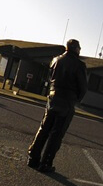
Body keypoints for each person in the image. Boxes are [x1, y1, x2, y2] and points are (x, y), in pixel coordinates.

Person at [27, 39, 87, 173]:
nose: (80, 50)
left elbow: (50, 78)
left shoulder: (55, 60)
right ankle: (46, 163)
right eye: (79, 48)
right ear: (75, 48)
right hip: (67, 101)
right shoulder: (79, 65)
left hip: (53, 97)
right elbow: (83, 88)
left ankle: (33, 157)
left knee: (44, 128)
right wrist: (76, 99)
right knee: (57, 134)